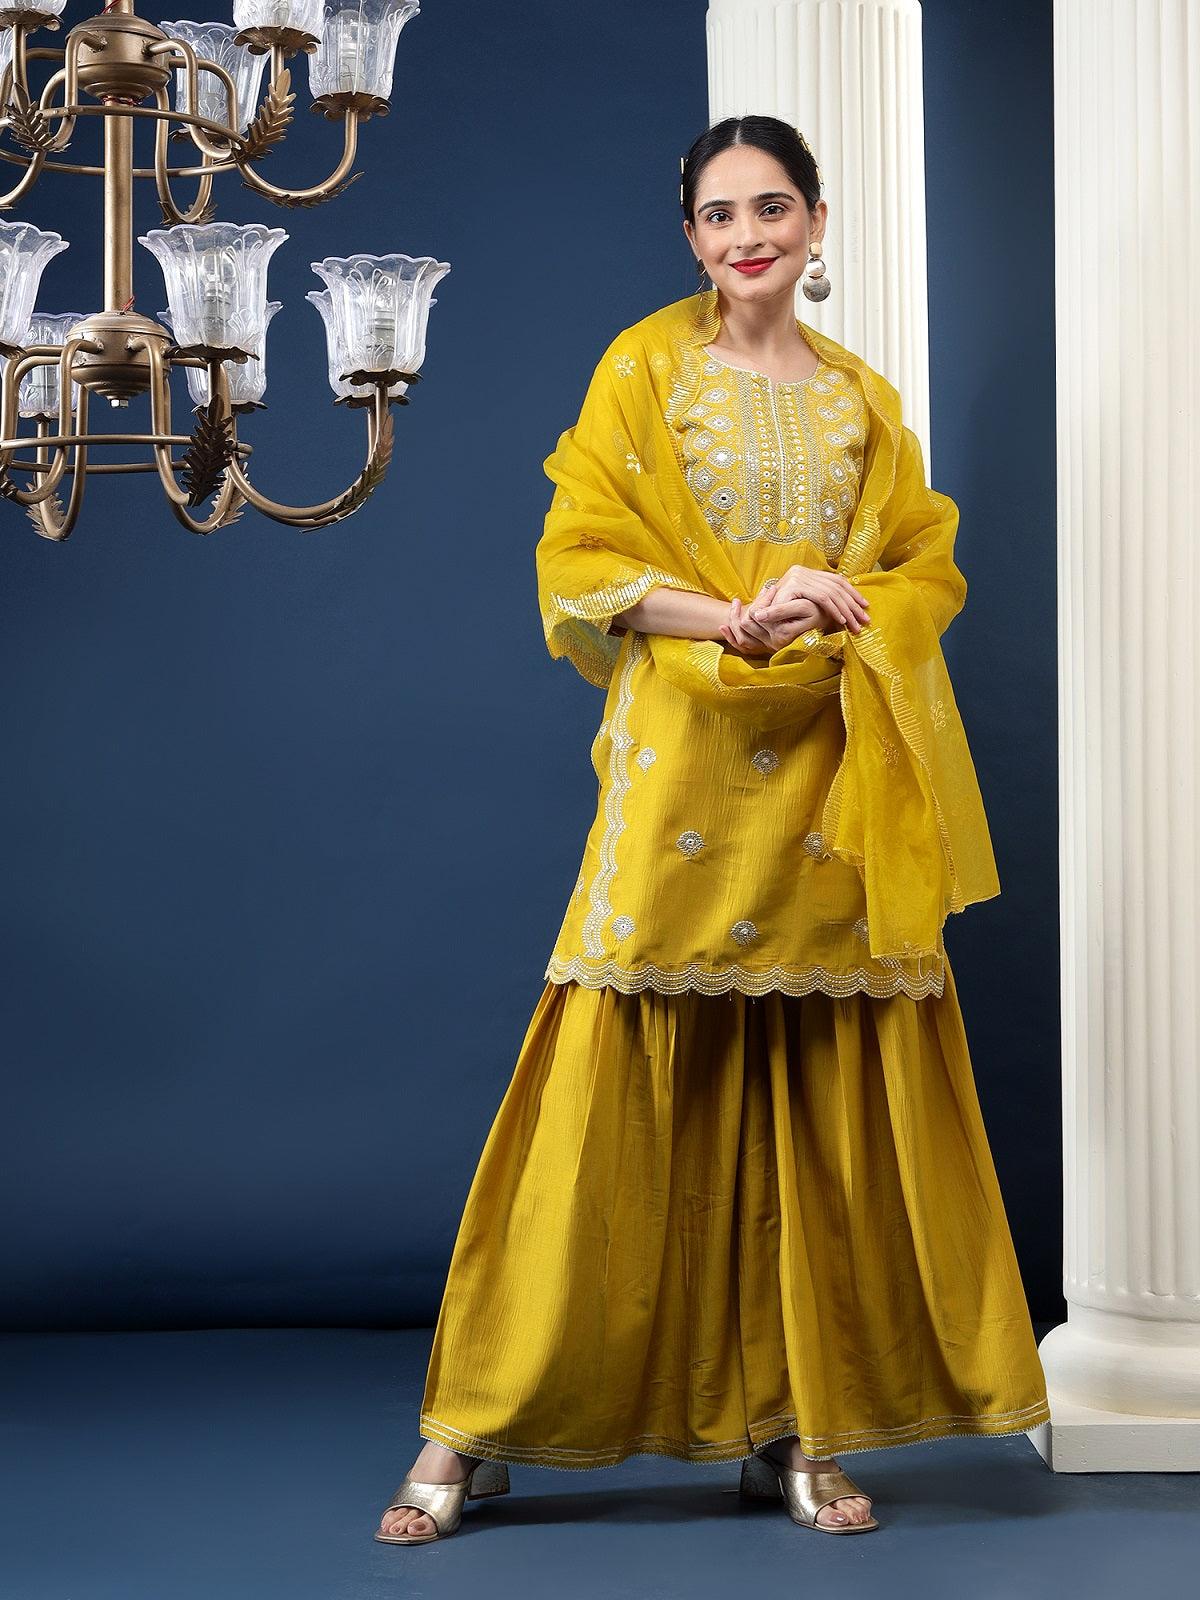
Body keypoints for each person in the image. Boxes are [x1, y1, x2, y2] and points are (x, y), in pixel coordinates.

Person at [375, 114, 1051, 1545]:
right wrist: (738, 615)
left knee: (815, 1092)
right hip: (684, 763)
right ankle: (474, 1425)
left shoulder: (864, 401)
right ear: (690, 234)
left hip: (831, 769)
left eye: (774, 208)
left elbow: (923, 560)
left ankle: (800, 1428)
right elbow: (581, 560)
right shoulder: (643, 369)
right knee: (612, 1080)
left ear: (816, 224)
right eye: (720, 213)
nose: (748, 234)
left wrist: (844, 605)